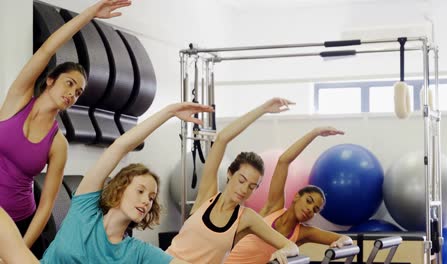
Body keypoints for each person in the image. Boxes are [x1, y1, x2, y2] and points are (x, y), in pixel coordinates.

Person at [0, 102, 212, 264]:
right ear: (119, 189)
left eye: (151, 197)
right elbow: (119, 147)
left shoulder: (137, 252)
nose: (146, 201)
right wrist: (169, 112)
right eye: (140, 191)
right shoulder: (85, 209)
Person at [0, 0, 131, 257]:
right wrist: (91, 13)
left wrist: (19, 250)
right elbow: (48, 49)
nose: (72, 94)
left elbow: (47, 204)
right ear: (50, 80)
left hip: (20, 225)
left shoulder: (57, 144)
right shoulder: (17, 99)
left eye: (78, 92)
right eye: (69, 84)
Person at [166, 98, 301, 264]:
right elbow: (222, 138)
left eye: (252, 186)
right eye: (242, 180)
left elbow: (291, 246)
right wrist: (263, 109)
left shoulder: (246, 218)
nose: (245, 190)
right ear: (230, 173)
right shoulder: (207, 196)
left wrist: (284, 252)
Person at [224, 127, 353, 264]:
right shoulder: (274, 207)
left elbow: (347, 239)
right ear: (297, 196)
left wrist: (339, 243)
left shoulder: (304, 233)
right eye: (309, 201)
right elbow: (283, 161)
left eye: (315, 210)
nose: (310, 209)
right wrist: (315, 133)